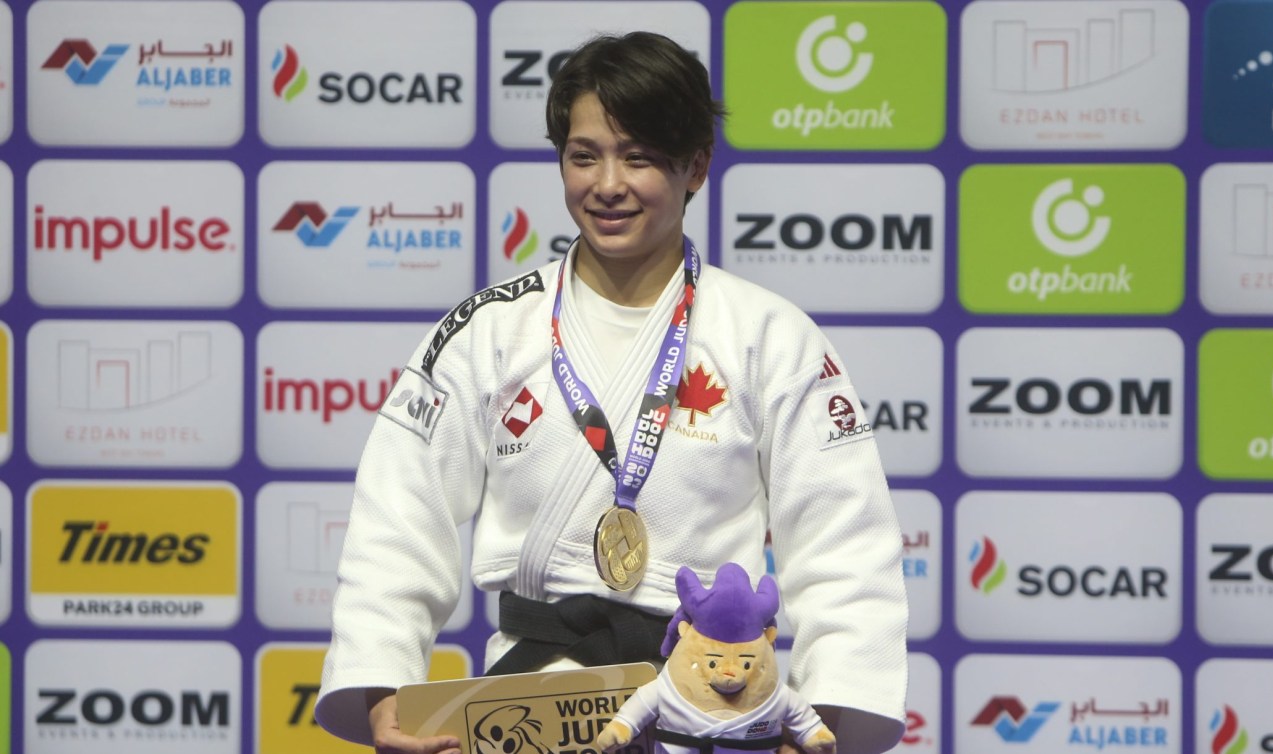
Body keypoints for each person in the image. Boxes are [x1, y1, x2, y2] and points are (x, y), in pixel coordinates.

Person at [314, 31, 909, 754]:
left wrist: (825, 723)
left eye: (638, 157)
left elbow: (844, 547)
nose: (606, 184)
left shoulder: (768, 337)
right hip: (526, 707)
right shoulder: (492, 329)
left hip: (712, 704)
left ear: (695, 167)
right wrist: (383, 689)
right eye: (583, 155)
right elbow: (397, 525)